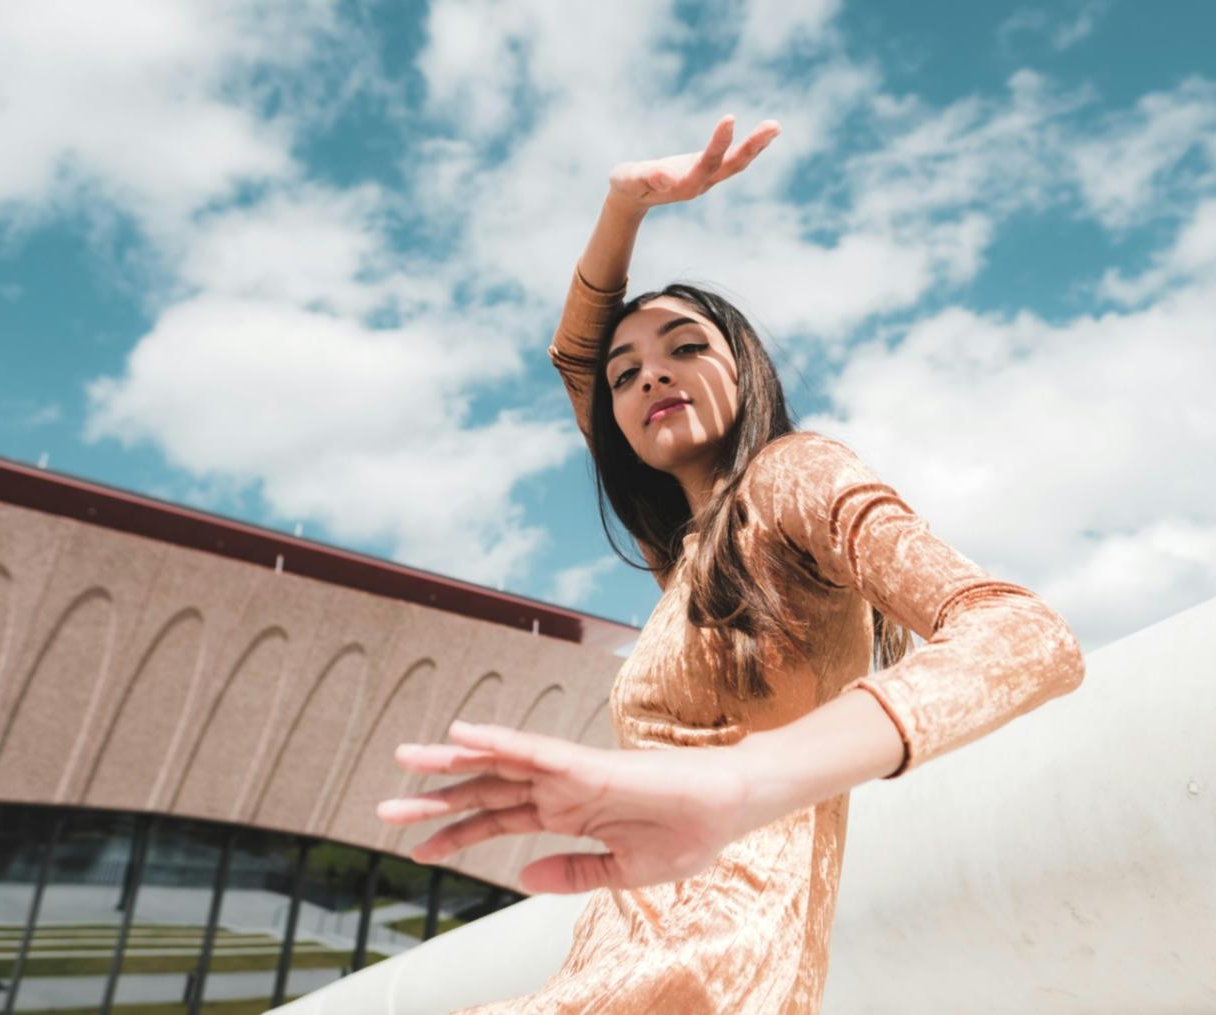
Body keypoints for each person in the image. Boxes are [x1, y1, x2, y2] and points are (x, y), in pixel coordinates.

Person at [376, 115, 1087, 1013]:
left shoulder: (792, 476)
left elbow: (1026, 636)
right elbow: (574, 356)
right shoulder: (684, 559)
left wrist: (739, 779)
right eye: (626, 373)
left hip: (717, 970)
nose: (648, 378)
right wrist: (623, 202)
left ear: (745, 371)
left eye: (685, 348)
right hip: (609, 968)